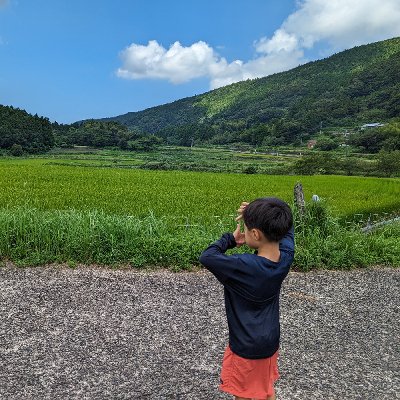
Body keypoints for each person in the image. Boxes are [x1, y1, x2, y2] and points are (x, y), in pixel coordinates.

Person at [199, 197, 295, 400]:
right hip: (270, 343)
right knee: (266, 387)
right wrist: (259, 212)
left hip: (245, 347)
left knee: (243, 393)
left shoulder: (242, 265)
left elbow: (207, 256)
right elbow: (288, 227)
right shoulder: (285, 257)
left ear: (255, 234)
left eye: (246, 226)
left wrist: (230, 240)